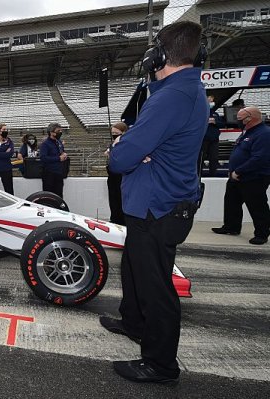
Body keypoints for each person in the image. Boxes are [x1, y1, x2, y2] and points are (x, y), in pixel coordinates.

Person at [105, 21, 208, 385]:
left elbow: (120, 160)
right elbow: (138, 150)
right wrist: (135, 148)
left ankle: (161, 365)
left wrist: (123, 147)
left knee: (155, 286)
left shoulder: (169, 97)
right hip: (154, 204)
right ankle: (133, 323)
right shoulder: (179, 91)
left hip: (158, 207)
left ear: (158, 55)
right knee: (133, 268)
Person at [212, 106, 270, 245]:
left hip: (254, 176)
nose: (238, 122)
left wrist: (239, 171)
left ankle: (262, 233)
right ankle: (231, 226)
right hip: (236, 176)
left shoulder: (264, 134)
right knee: (232, 202)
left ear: (251, 118)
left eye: (240, 119)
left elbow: (259, 158)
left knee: (257, 205)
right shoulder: (247, 132)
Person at [104, 122, 128, 225]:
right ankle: (114, 218)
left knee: (121, 201)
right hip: (112, 177)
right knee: (113, 201)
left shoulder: (126, 144)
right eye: (112, 133)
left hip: (121, 178)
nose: (114, 135)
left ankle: (122, 221)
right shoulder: (112, 144)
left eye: (116, 133)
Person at [39, 122, 67, 198]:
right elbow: (43, 158)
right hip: (49, 174)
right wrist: (58, 158)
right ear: (51, 132)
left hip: (59, 173)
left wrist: (64, 155)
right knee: (49, 196)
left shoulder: (59, 142)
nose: (60, 133)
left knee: (59, 196)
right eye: (58, 131)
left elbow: (61, 152)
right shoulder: (45, 144)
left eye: (61, 131)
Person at [201, 95, 224, 176]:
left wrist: (215, 122)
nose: (211, 101)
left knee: (214, 158)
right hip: (203, 140)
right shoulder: (199, 112)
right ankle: (198, 175)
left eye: (212, 99)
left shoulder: (215, 114)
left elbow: (222, 124)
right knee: (200, 158)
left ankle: (213, 175)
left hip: (214, 140)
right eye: (209, 99)